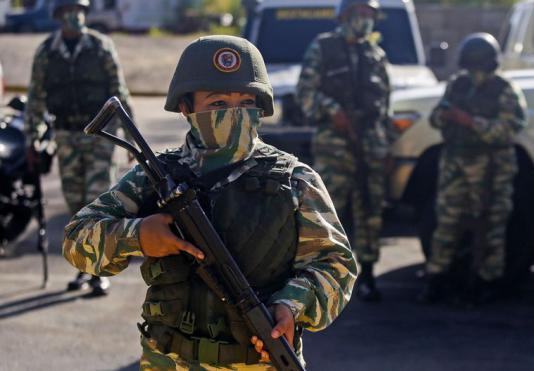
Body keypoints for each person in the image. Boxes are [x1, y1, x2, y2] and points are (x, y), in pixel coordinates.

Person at [62, 35, 357, 370]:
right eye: (217, 104)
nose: (233, 113)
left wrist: (291, 305)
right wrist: (138, 235)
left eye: (246, 102)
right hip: (168, 361)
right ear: (186, 107)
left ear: (261, 108)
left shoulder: (294, 180)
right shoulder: (155, 176)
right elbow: (76, 239)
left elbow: (336, 264)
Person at [25, 0, 134, 295]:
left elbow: (119, 92)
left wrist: (131, 139)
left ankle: (99, 272)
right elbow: (35, 97)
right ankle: (82, 268)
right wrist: (31, 138)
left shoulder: (101, 47)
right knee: (76, 204)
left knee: (97, 201)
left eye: (80, 10)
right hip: (66, 135)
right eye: (68, 11)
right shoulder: (47, 52)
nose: (75, 16)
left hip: (101, 136)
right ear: (59, 16)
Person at [417, 33, 527, 306]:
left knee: (492, 226)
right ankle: (437, 279)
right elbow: (436, 117)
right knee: (446, 223)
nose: (474, 73)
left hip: (492, 168)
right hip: (456, 163)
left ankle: (488, 282)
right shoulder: (457, 86)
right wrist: (444, 116)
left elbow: (510, 129)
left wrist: (470, 121)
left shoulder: (504, 90)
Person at [296, 0, 390, 302]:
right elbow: (305, 92)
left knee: (370, 209)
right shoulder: (323, 48)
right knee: (328, 211)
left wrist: (384, 144)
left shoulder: (376, 56)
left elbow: (385, 105)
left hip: (370, 144)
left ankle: (370, 275)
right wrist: (332, 110)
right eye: (359, 13)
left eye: (368, 14)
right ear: (345, 15)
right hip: (335, 145)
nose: (364, 20)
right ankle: (319, 278)